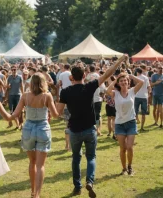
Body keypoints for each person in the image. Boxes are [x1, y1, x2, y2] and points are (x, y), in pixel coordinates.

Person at [56, 55, 128, 197]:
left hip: (74, 130)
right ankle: (90, 181)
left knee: (76, 158)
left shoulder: (65, 92)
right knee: (91, 157)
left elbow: (57, 112)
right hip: (89, 128)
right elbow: (107, 73)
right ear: (85, 75)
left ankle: (77, 186)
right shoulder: (89, 87)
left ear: (71, 77)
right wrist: (119, 61)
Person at [10, 73, 59, 198]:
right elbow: (55, 115)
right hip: (43, 129)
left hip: (28, 129)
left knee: (32, 162)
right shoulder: (47, 96)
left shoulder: (25, 96)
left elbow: (15, 113)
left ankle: (33, 191)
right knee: (40, 164)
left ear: (31, 83)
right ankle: (37, 194)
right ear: (43, 83)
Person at [106, 73, 144, 176]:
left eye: (125, 81)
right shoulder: (115, 93)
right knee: (122, 148)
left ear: (128, 82)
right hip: (119, 124)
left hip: (131, 122)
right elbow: (107, 90)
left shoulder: (132, 91)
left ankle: (130, 167)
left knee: (129, 147)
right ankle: (123, 168)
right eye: (121, 81)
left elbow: (142, 82)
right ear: (119, 83)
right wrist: (116, 79)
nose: (123, 82)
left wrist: (131, 75)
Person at [58, 64, 72, 151]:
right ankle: (70, 145)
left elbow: (59, 84)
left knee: (67, 125)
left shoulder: (62, 74)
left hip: (64, 97)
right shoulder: (71, 74)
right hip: (72, 100)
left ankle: (67, 145)